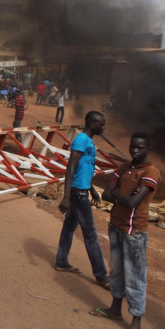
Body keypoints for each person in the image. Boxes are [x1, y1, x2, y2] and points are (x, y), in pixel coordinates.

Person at [90, 132, 160, 329]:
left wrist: (119, 196)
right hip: (116, 226)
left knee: (136, 277)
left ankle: (136, 324)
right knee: (117, 270)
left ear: (149, 149)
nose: (135, 151)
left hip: (134, 231)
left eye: (140, 148)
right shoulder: (126, 168)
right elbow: (106, 194)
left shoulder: (151, 172)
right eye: (132, 147)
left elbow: (132, 203)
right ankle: (115, 309)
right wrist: (124, 197)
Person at [54, 111, 109, 289]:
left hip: (82, 190)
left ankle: (61, 261)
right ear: (92, 123)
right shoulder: (81, 140)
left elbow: (84, 169)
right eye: (101, 124)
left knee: (69, 227)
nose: (103, 127)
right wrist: (67, 196)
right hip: (77, 194)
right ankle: (101, 276)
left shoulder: (89, 141)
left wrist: (91, 188)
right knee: (91, 234)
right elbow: (71, 167)